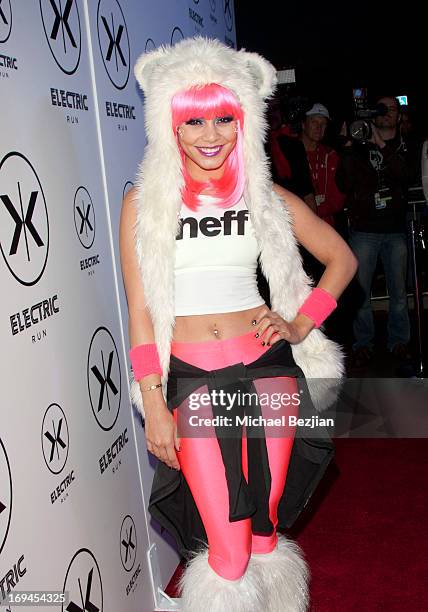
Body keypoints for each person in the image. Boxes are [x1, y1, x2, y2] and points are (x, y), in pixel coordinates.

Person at [120, 38, 358, 611]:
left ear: (243, 120)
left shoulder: (266, 199)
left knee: (264, 523)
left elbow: (341, 260)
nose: (209, 133)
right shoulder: (143, 206)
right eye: (193, 119)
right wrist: (154, 402)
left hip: (269, 372)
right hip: (195, 383)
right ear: (170, 125)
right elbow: (142, 313)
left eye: (224, 117)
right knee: (226, 550)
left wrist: (301, 325)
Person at [336, 95, 419, 366]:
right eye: (380, 109)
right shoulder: (359, 146)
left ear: (398, 115)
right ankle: (363, 344)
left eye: (391, 109)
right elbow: (344, 183)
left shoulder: (405, 144)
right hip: (364, 230)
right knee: (362, 295)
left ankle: (399, 343)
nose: (385, 114)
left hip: (395, 230)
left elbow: (406, 176)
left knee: (398, 294)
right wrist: (348, 146)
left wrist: (381, 145)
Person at [300, 103, 345, 228]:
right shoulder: (289, 154)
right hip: (298, 227)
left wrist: (317, 210)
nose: (319, 127)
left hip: (325, 227)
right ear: (303, 124)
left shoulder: (330, 155)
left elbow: (338, 197)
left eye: (323, 124)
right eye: (314, 122)